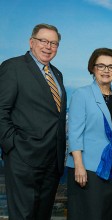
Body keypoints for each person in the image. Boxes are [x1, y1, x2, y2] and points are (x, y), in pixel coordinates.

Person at [0, 24, 66, 219]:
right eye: (43, 41)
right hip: (23, 158)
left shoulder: (57, 74)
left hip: (52, 161)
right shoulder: (13, 67)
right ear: (31, 42)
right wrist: (12, 146)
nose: (48, 46)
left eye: (53, 43)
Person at [66, 48, 112, 220]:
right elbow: (74, 132)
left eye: (111, 66)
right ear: (92, 68)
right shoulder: (82, 94)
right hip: (87, 168)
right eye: (101, 66)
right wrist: (79, 165)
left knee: (108, 214)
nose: (106, 70)